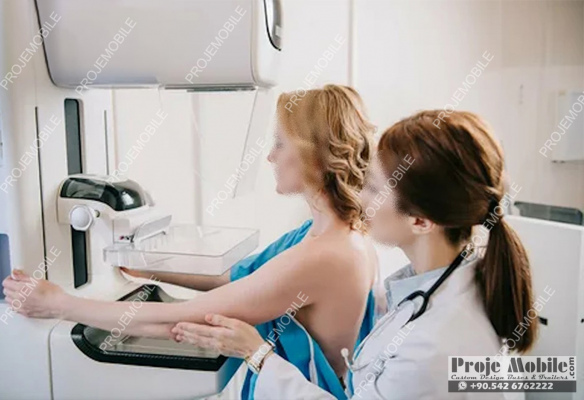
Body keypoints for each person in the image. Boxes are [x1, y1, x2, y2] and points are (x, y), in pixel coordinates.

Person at [2, 85, 379, 399]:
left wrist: (60, 304)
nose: (270, 156)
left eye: (280, 144)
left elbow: (181, 318)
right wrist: (148, 268)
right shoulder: (332, 233)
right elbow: (241, 278)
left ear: (311, 153)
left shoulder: (325, 255)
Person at [170, 110, 538, 399]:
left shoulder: (431, 348)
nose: (360, 199)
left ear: (421, 221)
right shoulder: (454, 280)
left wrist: (258, 355)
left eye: (374, 189)